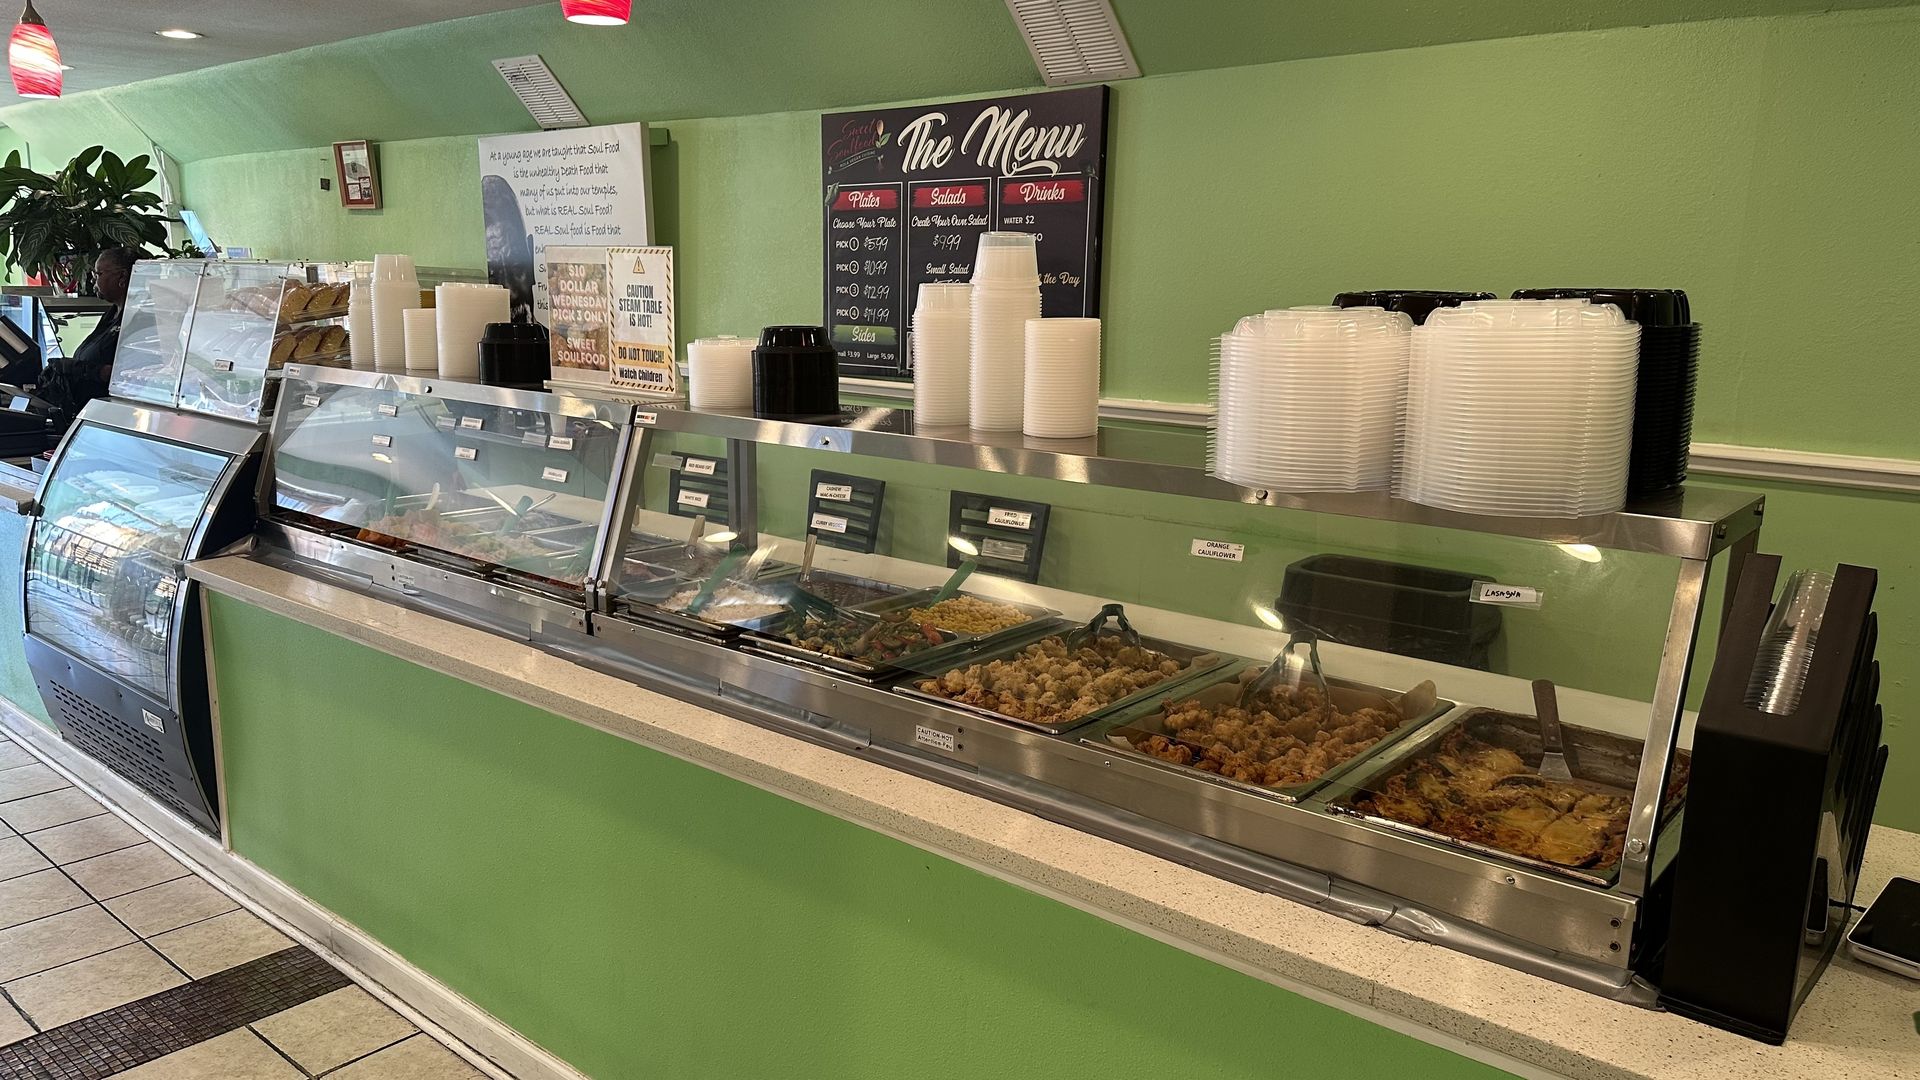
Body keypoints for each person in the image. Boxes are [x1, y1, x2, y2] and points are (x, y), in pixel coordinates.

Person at [39, 246, 141, 427]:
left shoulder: (142, 318)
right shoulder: (112, 314)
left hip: (119, 418)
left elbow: (130, 375)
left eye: (98, 274)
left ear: (122, 277)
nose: (93, 280)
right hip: (91, 415)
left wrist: (82, 369)